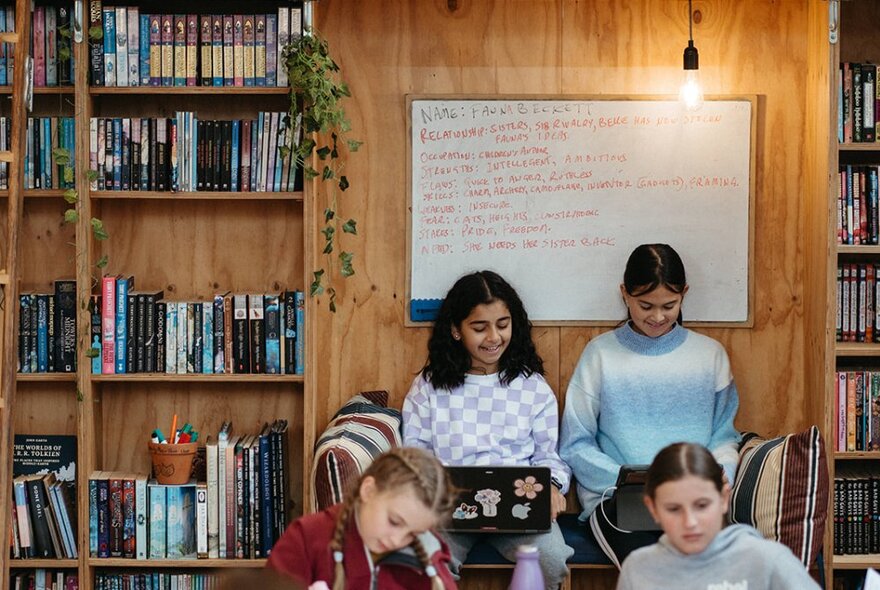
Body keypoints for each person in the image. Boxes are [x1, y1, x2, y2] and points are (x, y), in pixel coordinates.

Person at [559, 243, 740, 568]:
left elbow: (724, 437)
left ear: (684, 294)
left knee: (710, 560)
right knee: (653, 564)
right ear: (624, 294)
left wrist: (721, 473)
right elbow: (575, 444)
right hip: (618, 500)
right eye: (645, 306)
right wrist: (621, 479)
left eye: (669, 305)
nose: (657, 317)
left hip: (692, 499)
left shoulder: (710, 355)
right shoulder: (599, 355)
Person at [403, 270, 573, 590]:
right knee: (423, 560)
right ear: (456, 330)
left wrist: (551, 486)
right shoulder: (428, 387)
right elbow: (415, 451)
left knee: (550, 558)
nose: (494, 337)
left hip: (520, 510)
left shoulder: (532, 387)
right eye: (479, 328)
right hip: (448, 512)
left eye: (503, 325)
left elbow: (548, 454)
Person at [616, 442, 820, 589]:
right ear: (652, 508)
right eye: (674, 509)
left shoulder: (767, 560)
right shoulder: (637, 568)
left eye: (702, 505)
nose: (690, 522)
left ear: (723, 499)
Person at [267, 446, 459, 590]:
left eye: (413, 534)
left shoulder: (430, 564)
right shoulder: (306, 537)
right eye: (394, 521)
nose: (397, 540)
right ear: (368, 490)